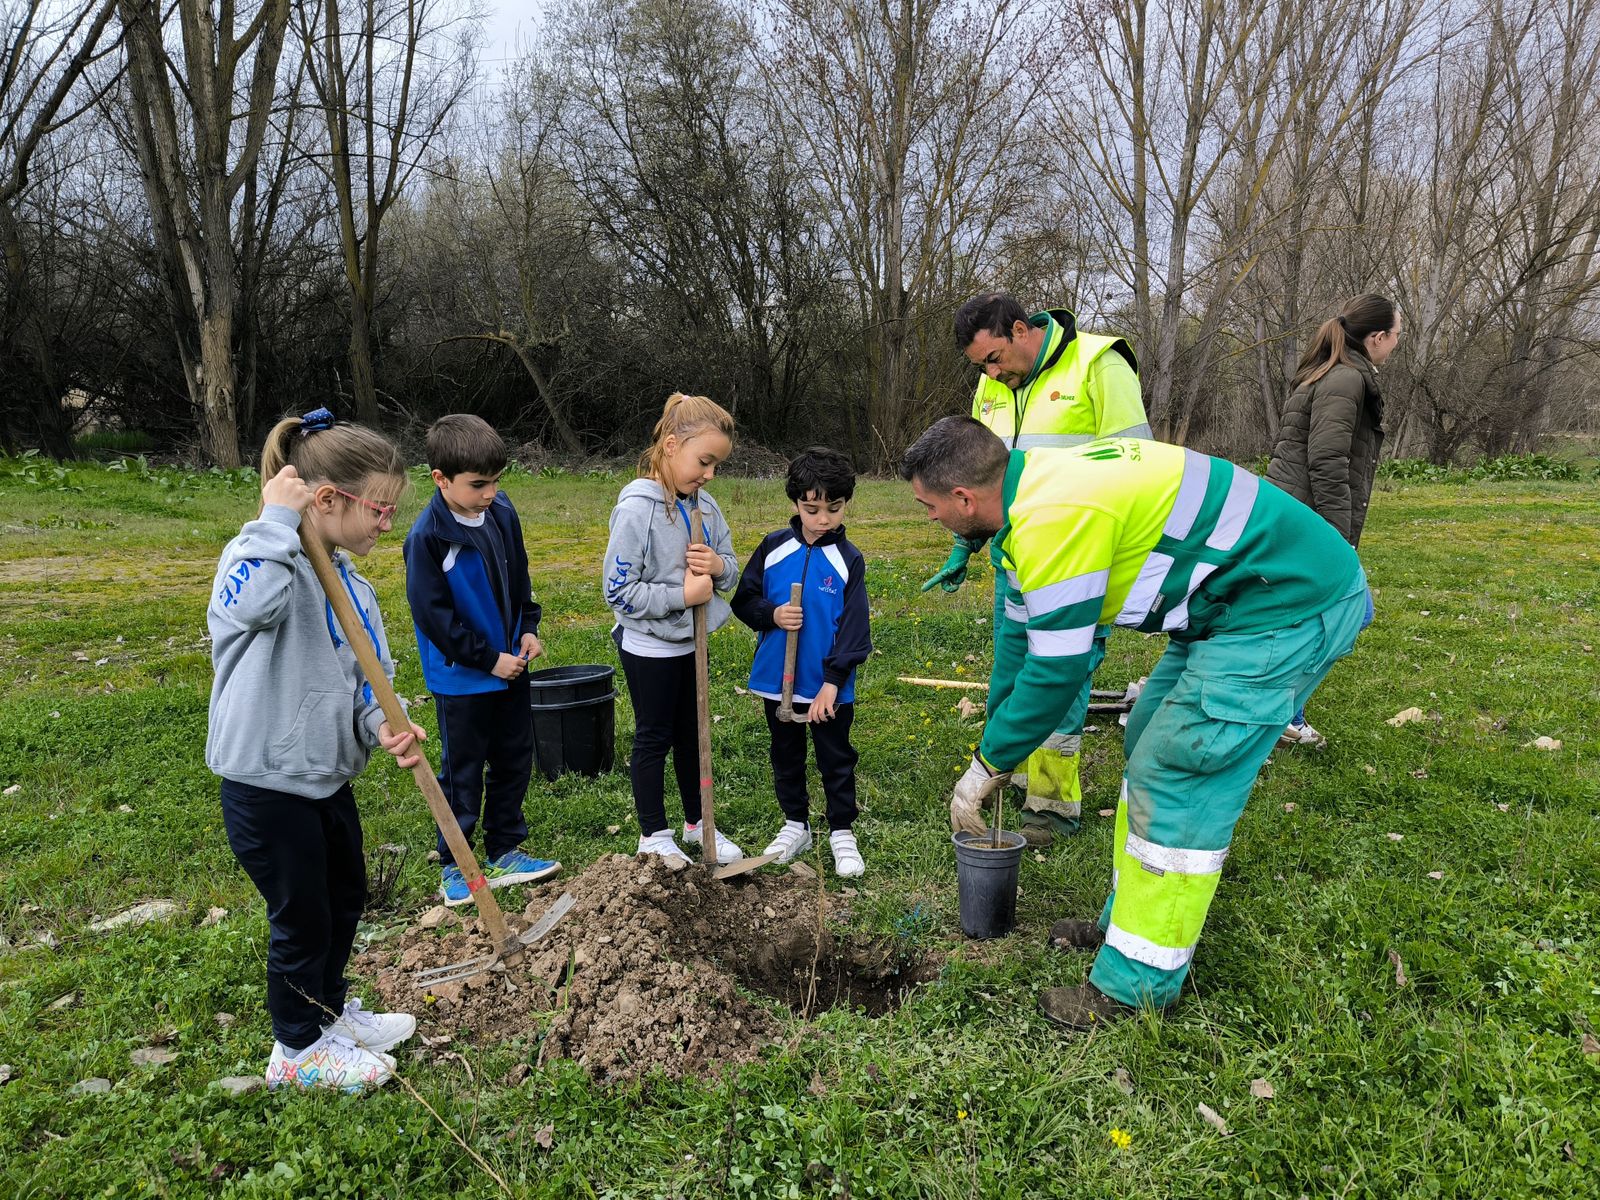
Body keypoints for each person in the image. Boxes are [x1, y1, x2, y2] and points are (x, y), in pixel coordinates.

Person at [901, 417, 1368, 1029]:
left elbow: (1057, 673)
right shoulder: (1023, 505)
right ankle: (1124, 926)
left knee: (1178, 766)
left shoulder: (1054, 521)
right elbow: (1020, 647)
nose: (929, 519)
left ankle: (1137, 983)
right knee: (1148, 728)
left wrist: (987, 766)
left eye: (928, 506)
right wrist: (992, 743)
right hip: (1227, 606)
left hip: (1288, 604)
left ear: (964, 498)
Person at [206, 408, 423, 1091]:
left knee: (344, 896)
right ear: (327, 500)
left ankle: (327, 1015)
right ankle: (297, 1049)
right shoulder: (257, 558)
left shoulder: (352, 585)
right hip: (267, 785)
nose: (387, 525)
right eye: (379, 510)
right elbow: (244, 612)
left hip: (325, 780)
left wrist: (379, 725)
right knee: (302, 915)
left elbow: (365, 684)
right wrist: (275, 522)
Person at [926, 292, 1152, 849]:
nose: (990, 373)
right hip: (1016, 552)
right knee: (1014, 667)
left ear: (1023, 330)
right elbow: (975, 478)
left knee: (1061, 672)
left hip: (1081, 555)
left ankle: (1050, 807)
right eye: (981, 365)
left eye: (995, 358)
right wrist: (965, 542)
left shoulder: (1099, 363)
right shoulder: (993, 384)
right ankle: (1004, 775)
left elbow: (1136, 465)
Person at [404, 414, 560, 906]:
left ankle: (505, 847)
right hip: (463, 678)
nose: (490, 493)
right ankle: (455, 863)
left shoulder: (501, 513)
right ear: (440, 480)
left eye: (496, 481)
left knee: (516, 757)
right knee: (463, 769)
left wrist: (528, 627)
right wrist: (487, 659)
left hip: (512, 664)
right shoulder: (427, 538)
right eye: (478, 485)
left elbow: (519, 577)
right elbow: (435, 619)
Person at [603, 393, 744, 864]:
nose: (709, 474)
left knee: (693, 733)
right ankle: (653, 835)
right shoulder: (636, 510)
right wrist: (681, 597)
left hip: (691, 644)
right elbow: (618, 592)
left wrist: (718, 567)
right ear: (669, 445)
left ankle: (697, 822)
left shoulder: (706, 506)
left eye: (716, 466)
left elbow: (731, 567)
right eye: (704, 461)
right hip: (648, 648)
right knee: (654, 736)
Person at [731, 447, 872, 878]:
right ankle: (796, 823)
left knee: (835, 756)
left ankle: (841, 830)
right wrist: (771, 614)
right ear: (796, 503)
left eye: (833, 508)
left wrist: (833, 681)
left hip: (825, 686)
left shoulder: (848, 561)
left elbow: (854, 631)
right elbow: (743, 600)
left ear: (846, 503)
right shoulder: (772, 548)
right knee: (785, 754)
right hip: (779, 679)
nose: (823, 519)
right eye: (812, 509)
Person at [1267, 293, 1396, 747]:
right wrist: (1337, 539)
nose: (1395, 344)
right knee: (1352, 612)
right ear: (1376, 337)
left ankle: (1282, 711)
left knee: (1302, 616)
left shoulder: (1329, 371)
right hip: (1308, 523)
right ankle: (1275, 710)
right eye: (1395, 336)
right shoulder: (1346, 378)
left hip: (1292, 516)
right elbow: (1325, 459)